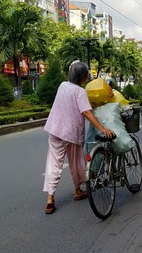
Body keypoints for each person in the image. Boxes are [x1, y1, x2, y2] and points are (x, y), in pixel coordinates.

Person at [42, 61, 114, 215]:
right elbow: (87, 112)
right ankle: (77, 190)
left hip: (54, 129)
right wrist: (103, 128)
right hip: (70, 133)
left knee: (54, 164)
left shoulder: (62, 85)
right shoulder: (80, 92)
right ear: (83, 77)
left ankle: (50, 198)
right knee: (76, 163)